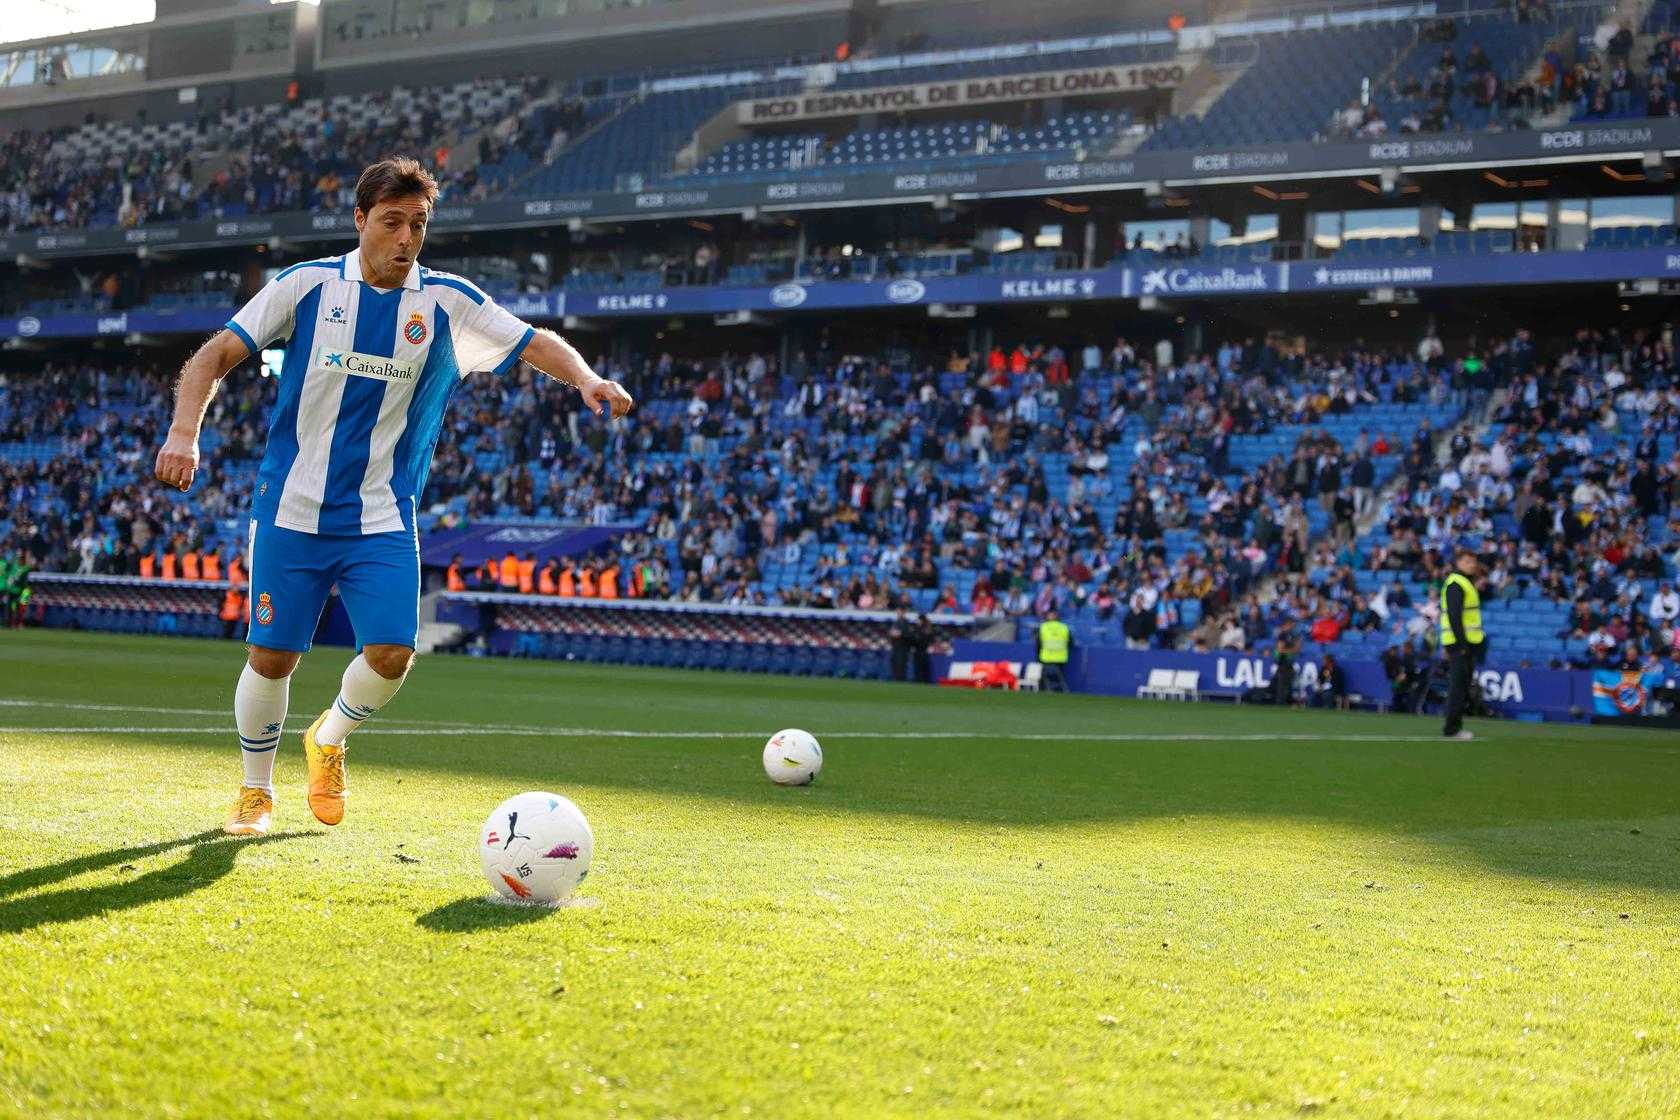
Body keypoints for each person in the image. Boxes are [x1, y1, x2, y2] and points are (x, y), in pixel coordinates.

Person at [153, 157, 634, 838]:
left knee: (390, 653)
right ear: (360, 220)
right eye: (391, 222)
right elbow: (210, 357)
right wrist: (183, 432)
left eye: (418, 224)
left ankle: (330, 737)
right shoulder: (307, 286)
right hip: (290, 509)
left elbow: (529, 342)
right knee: (272, 657)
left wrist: (586, 379)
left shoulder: (445, 300)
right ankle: (254, 793)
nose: (406, 238)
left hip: (381, 514)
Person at [1440, 548, 1485, 740]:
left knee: (1462, 686)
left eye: (1473, 562)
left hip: (1466, 642)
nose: (1472, 565)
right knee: (1458, 686)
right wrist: (1462, 643)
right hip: (1460, 644)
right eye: (1467, 561)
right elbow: (1454, 615)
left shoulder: (1465, 582)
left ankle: (1454, 725)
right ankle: (1452, 728)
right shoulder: (1456, 583)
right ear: (1458, 563)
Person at [1036, 606, 1071, 691]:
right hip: (1061, 658)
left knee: (1046, 677)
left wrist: (1038, 655)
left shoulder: (1043, 627)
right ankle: (1061, 690)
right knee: (1059, 678)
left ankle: (1045, 690)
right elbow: (1070, 643)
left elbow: (1038, 643)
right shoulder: (1064, 627)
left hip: (1046, 657)